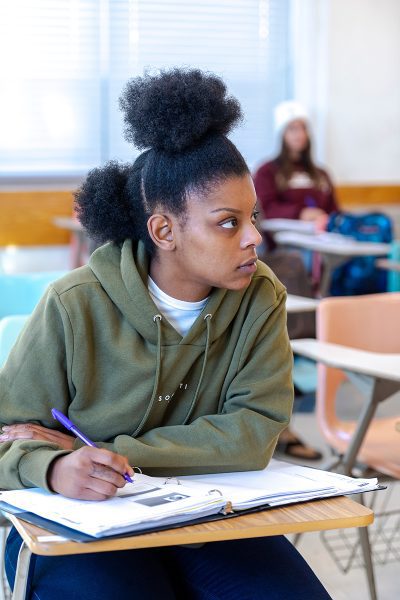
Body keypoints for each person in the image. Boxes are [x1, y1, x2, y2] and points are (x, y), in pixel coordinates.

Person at [0, 69, 331, 599]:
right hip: (85, 522)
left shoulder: (260, 296)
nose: (253, 237)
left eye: (254, 216)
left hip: (210, 517)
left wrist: (110, 449)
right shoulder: (72, 303)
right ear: (164, 230)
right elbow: (7, 436)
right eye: (228, 222)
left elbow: (253, 433)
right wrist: (57, 466)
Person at [254, 100, 339, 462]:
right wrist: (299, 213)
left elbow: (335, 210)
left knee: (314, 322)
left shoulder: (319, 173)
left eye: (303, 128)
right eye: (292, 128)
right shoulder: (267, 172)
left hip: (317, 260)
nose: (298, 135)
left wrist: (325, 218)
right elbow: (265, 210)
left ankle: (310, 342)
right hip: (282, 259)